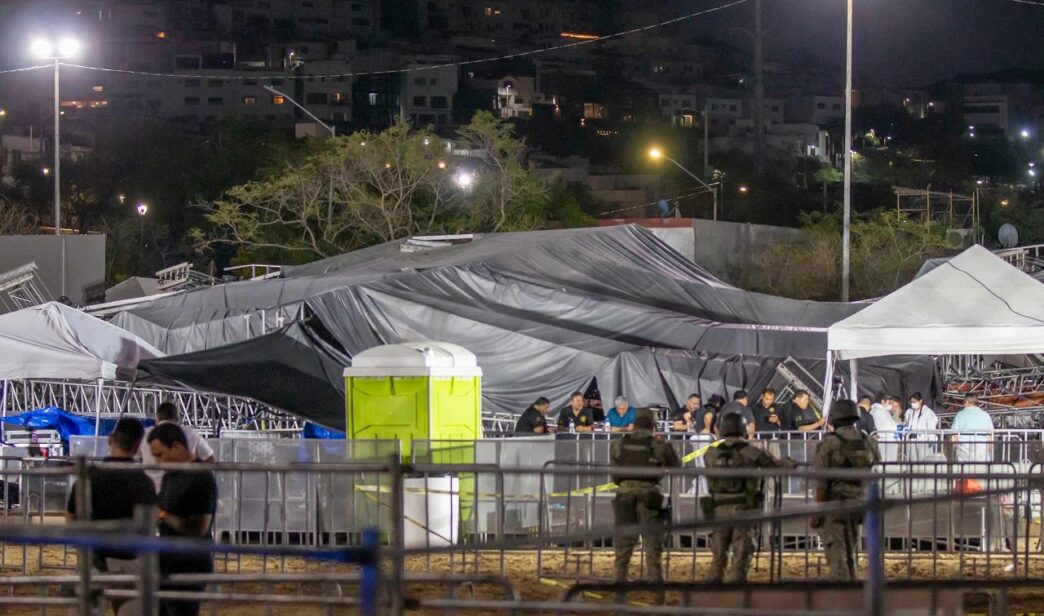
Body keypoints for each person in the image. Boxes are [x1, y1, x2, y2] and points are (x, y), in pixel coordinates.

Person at [67, 417, 156, 616]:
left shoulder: (88, 478)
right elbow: (150, 524)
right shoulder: (144, 482)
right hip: (130, 559)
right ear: (137, 445)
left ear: (110, 439)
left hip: (94, 558)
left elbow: (71, 519)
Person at [702, 413, 790, 583]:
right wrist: (788, 463)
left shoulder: (711, 453)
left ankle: (711, 595)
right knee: (741, 556)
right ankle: (735, 595)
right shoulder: (751, 451)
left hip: (718, 509)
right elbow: (774, 466)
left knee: (718, 557)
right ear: (743, 429)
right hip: (743, 508)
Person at [148, 423, 218, 616]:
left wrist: (161, 515)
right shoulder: (171, 476)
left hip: (189, 566)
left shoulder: (201, 477)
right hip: (169, 563)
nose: (157, 462)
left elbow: (198, 527)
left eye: (160, 455)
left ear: (177, 447)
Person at [610, 410, 681, 587]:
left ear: (634, 423)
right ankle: (656, 589)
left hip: (624, 496)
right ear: (653, 425)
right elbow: (677, 467)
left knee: (623, 546)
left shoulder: (619, 444)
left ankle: (619, 586)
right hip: (649, 497)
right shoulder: (659, 445)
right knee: (652, 546)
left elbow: (614, 473)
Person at [813, 399, 879, 582]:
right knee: (852, 547)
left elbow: (821, 481)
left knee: (836, 552)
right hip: (859, 501)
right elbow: (875, 462)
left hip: (835, 504)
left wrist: (818, 511)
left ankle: (842, 595)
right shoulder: (867, 441)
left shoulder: (828, 444)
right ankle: (852, 583)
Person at [141, 402, 216, 489]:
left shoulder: (145, 434)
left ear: (157, 418)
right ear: (177, 418)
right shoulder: (191, 433)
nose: (158, 462)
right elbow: (210, 459)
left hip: (152, 492)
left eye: (160, 455)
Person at [950, 393, 994, 463]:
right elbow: (990, 435)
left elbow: (954, 435)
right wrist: (990, 451)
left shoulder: (960, 415)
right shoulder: (985, 415)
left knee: (963, 470)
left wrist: (953, 450)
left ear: (967, 402)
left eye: (963, 402)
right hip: (982, 447)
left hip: (964, 447)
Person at [904, 393, 939, 461]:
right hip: (912, 439)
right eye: (911, 402)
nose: (913, 404)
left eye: (914, 402)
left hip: (923, 439)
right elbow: (906, 424)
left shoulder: (927, 412)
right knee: (912, 460)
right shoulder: (909, 412)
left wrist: (932, 438)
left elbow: (931, 426)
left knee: (923, 460)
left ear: (920, 401)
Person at [869, 393, 899, 462]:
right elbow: (887, 427)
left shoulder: (880, 410)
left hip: (886, 441)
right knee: (886, 463)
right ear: (883, 401)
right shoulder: (880, 411)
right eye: (889, 402)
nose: (890, 405)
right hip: (886, 441)